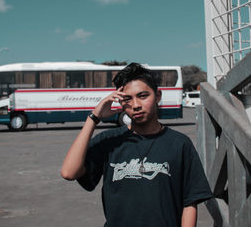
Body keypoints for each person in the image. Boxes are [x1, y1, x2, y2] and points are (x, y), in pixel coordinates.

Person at [61, 63, 213, 227]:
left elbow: (189, 202)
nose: (135, 105)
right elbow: (69, 172)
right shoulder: (109, 141)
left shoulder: (179, 143)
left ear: (158, 96)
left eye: (142, 96)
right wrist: (94, 118)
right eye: (127, 99)